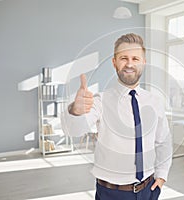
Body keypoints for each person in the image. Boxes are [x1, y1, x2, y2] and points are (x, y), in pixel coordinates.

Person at [62, 33, 172, 200]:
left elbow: (163, 141)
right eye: (123, 58)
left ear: (143, 62)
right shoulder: (100, 101)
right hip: (112, 193)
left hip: (148, 190)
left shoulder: (155, 101)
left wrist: (162, 175)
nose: (129, 64)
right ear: (114, 63)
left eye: (135, 58)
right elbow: (73, 130)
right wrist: (75, 110)